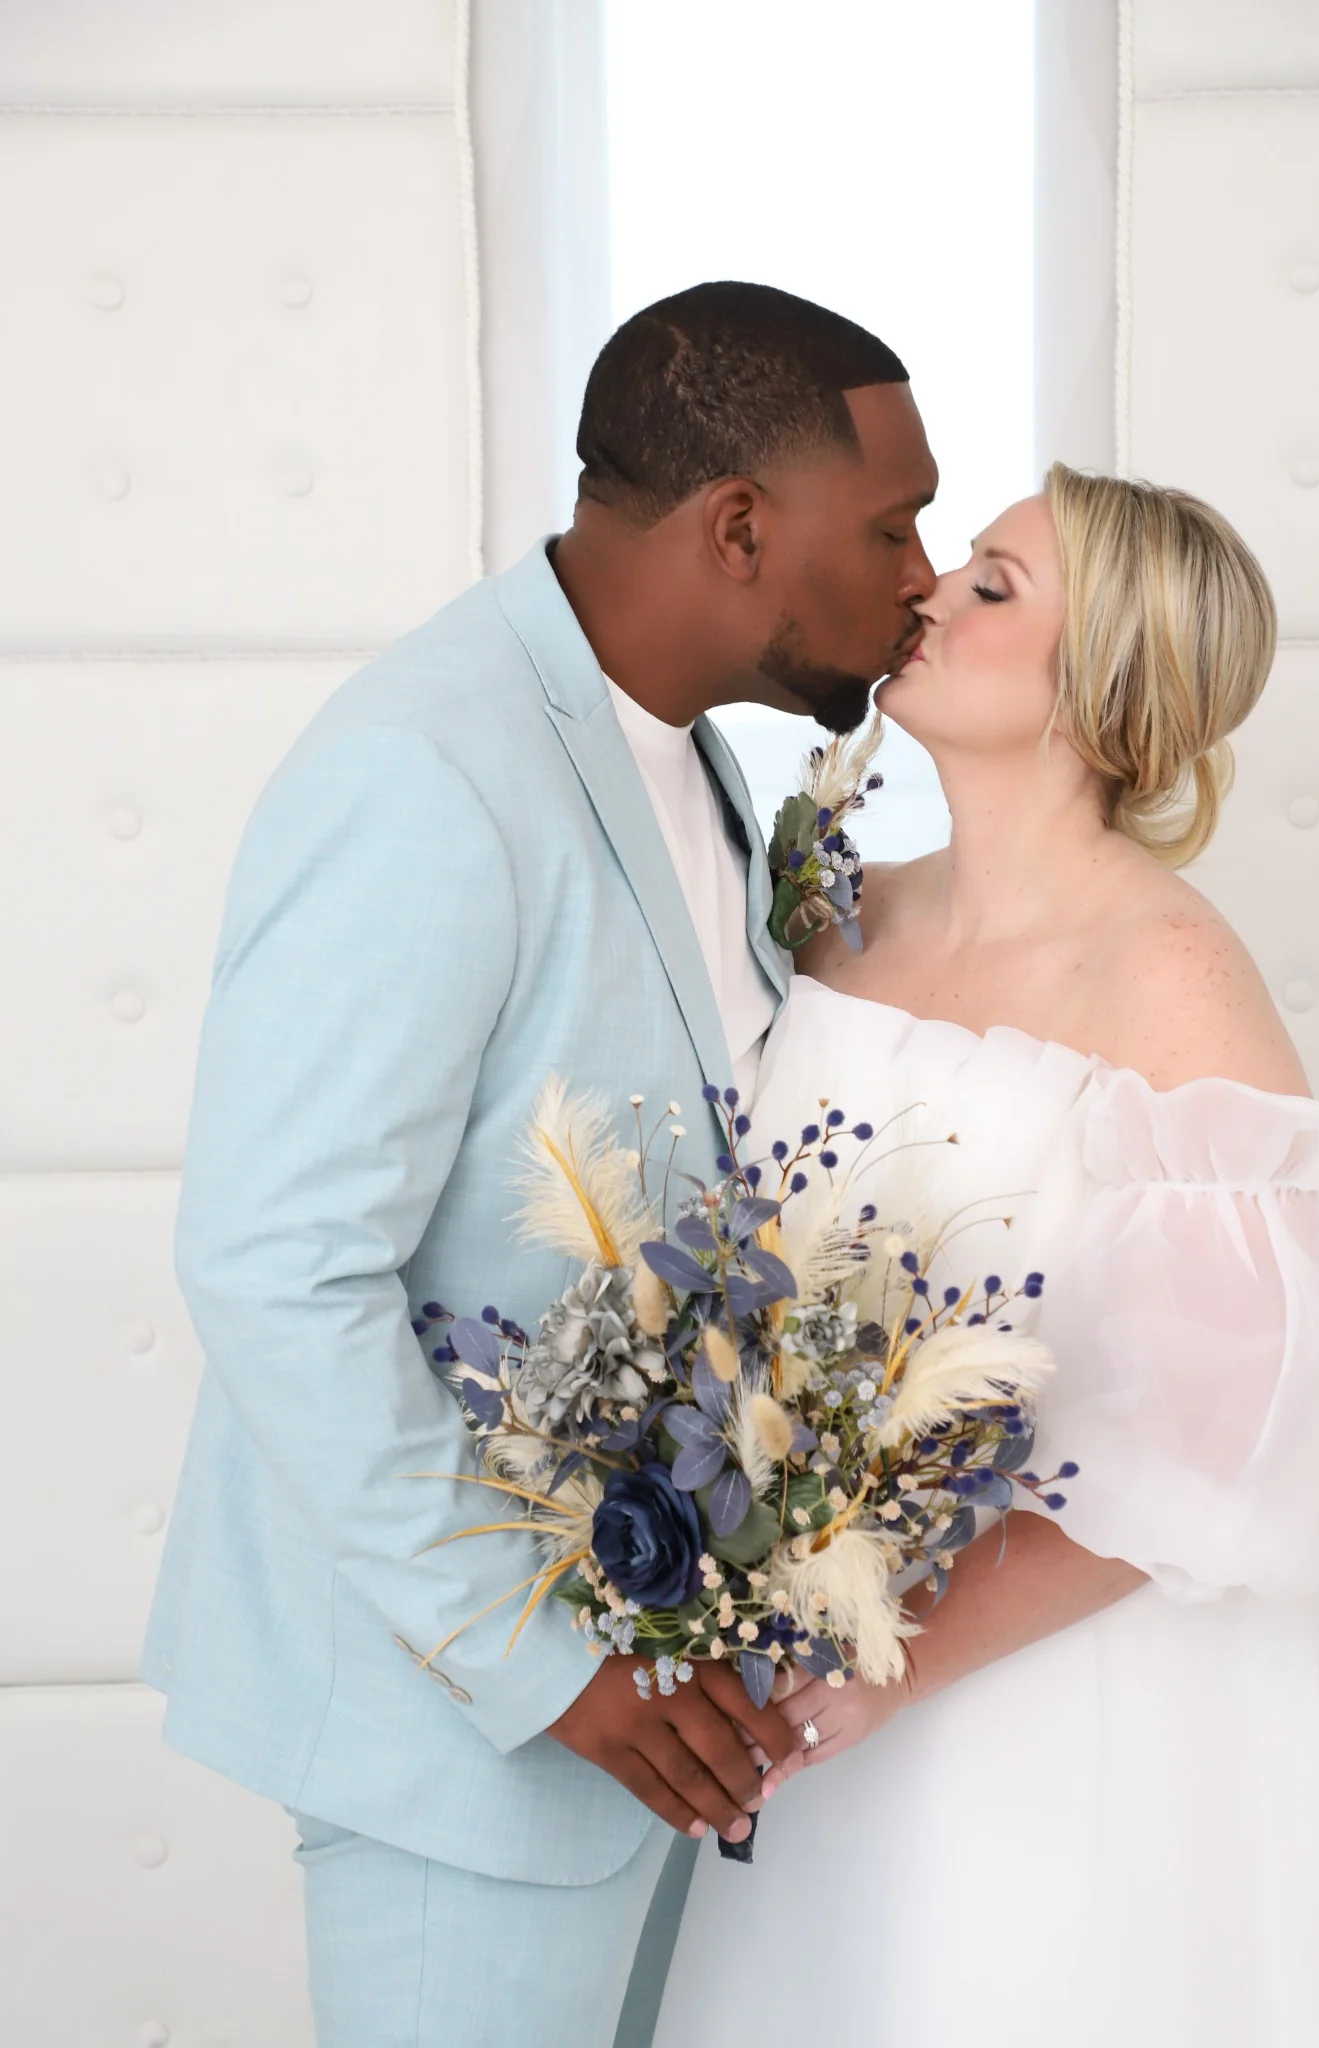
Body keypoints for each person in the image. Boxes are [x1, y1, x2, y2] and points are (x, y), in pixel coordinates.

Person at [142, 281, 956, 2047]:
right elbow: (275, 1267)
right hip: (475, 1746)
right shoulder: (429, 771)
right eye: (893, 522)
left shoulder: (698, 759)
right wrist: (552, 1669)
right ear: (739, 527)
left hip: (662, 1724)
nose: (921, 573)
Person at [655, 465, 1319, 2046]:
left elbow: (1224, 1444)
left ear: (1098, 683)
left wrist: (899, 1665)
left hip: (1052, 1702)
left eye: (993, 589)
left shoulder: (1169, 973)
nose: (928, 596)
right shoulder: (845, 919)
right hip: (817, 1675)